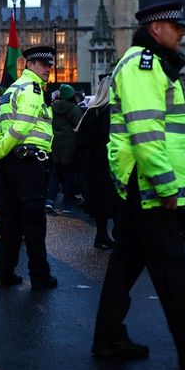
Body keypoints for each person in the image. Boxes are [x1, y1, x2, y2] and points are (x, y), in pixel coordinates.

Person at [91, 1, 185, 370]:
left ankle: (108, 337)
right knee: (172, 274)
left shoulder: (152, 64)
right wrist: (167, 184)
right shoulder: (143, 66)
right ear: (156, 29)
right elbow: (146, 134)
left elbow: (169, 135)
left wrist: (182, 181)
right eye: (176, 27)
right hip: (148, 184)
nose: (182, 33)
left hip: (145, 182)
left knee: (125, 266)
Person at [0, 46, 59, 291]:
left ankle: (3, 273)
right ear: (29, 64)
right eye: (43, 64)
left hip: (11, 162)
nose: (48, 69)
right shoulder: (32, 88)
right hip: (27, 162)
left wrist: (0, 150)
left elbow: (1, 126)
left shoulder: (13, 88)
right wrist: (1, 149)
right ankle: (40, 276)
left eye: (50, 65)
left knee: (11, 221)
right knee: (34, 222)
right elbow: (21, 126)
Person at [77, 75, 116, 250]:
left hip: (94, 165)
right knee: (116, 202)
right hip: (108, 163)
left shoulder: (92, 111)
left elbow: (82, 140)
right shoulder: (110, 112)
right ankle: (112, 238)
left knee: (101, 203)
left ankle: (102, 236)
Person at [46, 83, 82, 213]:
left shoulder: (53, 106)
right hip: (70, 145)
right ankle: (67, 204)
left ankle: (50, 201)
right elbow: (79, 126)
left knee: (55, 174)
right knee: (69, 176)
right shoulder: (74, 108)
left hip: (55, 144)